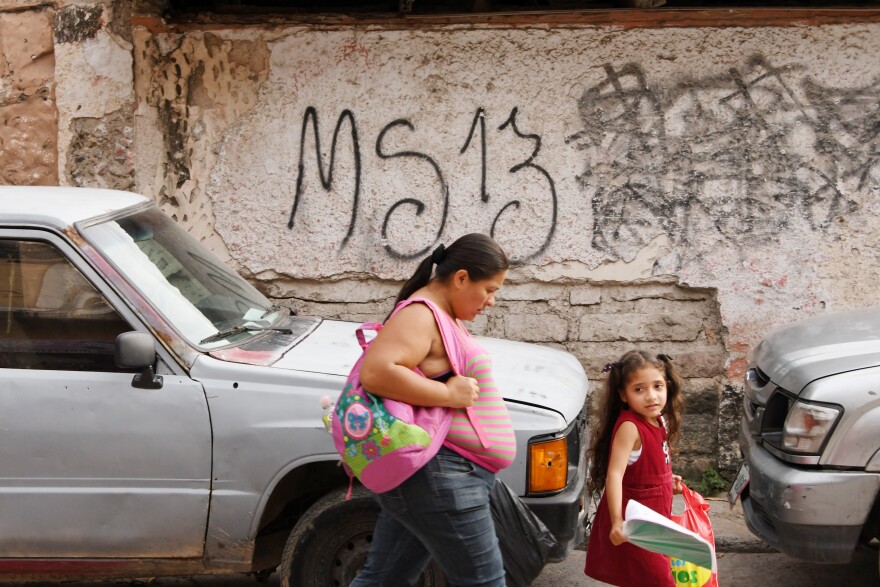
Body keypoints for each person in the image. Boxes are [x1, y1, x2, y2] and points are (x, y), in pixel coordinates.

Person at [351, 233, 516, 587]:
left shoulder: (440, 313)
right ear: (460, 278)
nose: (491, 301)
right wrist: (447, 393)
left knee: (383, 579)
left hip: (434, 476)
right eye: (490, 289)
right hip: (442, 476)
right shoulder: (421, 314)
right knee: (485, 582)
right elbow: (377, 372)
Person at [584, 350, 684, 587]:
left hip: (656, 517)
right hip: (635, 522)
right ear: (623, 394)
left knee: (644, 579)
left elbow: (650, 464)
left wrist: (667, 482)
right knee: (659, 580)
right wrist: (618, 521)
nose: (651, 396)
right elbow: (615, 475)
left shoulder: (659, 420)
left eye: (657, 386)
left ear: (667, 386)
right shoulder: (630, 427)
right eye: (639, 389)